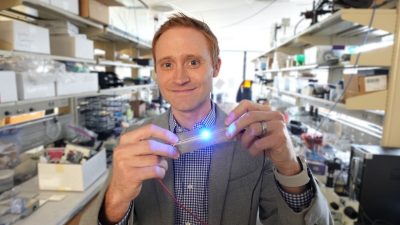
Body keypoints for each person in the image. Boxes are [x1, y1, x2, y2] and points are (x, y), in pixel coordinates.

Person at [80, 13, 332, 225]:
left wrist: (290, 167)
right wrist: (117, 199)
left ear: (216, 66)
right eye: (167, 64)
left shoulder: (254, 139)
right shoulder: (135, 141)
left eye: (193, 61)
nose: (180, 78)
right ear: (156, 71)